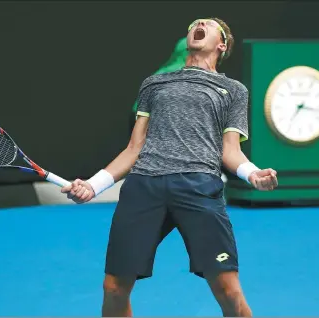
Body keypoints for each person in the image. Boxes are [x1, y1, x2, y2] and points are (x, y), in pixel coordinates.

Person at [62, 17, 278, 317]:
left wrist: (252, 173)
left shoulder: (233, 90)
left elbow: (230, 150)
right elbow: (134, 148)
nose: (199, 23)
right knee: (113, 288)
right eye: (194, 23)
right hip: (144, 186)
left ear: (221, 45)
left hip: (199, 187)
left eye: (209, 24)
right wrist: (94, 184)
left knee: (228, 291)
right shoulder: (154, 83)